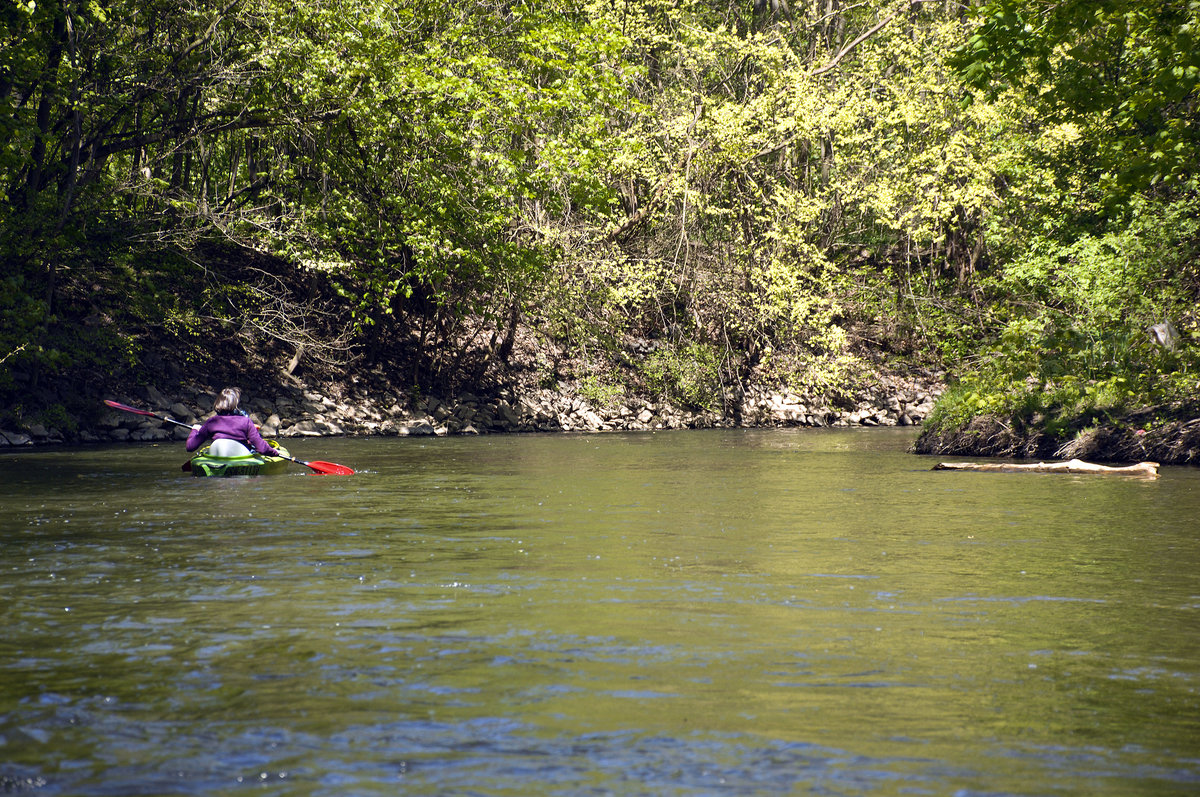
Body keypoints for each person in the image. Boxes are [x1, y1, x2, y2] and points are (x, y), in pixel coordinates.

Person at [186, 387, 281, 458]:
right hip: (240, 458)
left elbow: (190, 447)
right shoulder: (246, 422)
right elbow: (262, 448)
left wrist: (194, 430)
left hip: (217, 458)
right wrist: (275, 452)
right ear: (235, 404)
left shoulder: (211, 422)